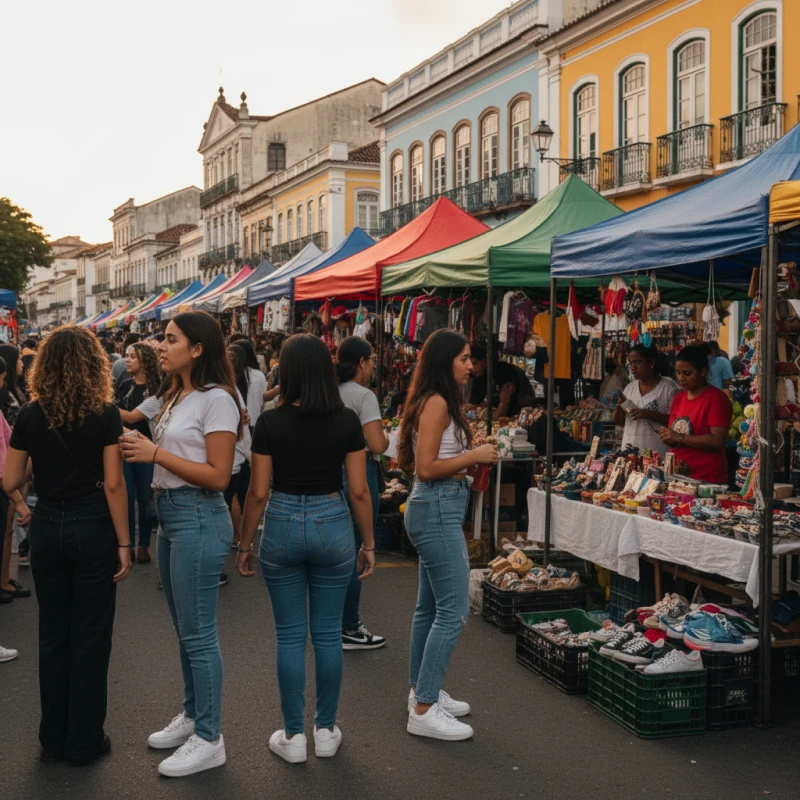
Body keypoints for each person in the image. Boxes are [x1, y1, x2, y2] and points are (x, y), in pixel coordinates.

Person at [236, 333, 375, 764]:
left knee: (291, 636)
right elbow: (358, 491)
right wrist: (368, 542)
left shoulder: (270, 423)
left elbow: (257, 492)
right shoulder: (347, 421)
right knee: (329, 635)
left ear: (289, 373)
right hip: (333, 521)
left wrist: (244, 544)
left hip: (281, 522)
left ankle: (294, 736)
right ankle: (327, 729)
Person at [119, 311, 241, 778]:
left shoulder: (218, 400)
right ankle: (194, 716)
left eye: (170, 340)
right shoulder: (176, 395)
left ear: (197, 349)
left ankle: (210, 737)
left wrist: (155, 453)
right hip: (170, 518)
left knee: (199, 634)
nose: (159, 346)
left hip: (198, 517)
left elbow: (219, 475)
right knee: (184, 630)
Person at [4, 325, 131, 765]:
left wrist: (41, 466)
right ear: (93, 365)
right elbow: (114, 484)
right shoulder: (106, 413)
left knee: (53, 634)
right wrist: (124, 542)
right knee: (91, 636)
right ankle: (85, 740)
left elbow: (10, 480)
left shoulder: (30, 415)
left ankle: (52, 737)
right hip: (93, 522)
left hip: (47, 524)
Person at [398, 329, 498, 742]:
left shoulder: (438, 400)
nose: (470, 365)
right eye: (463, 358)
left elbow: (433, 464)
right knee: (453, 610)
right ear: (444, 361)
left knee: (429, 607)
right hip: (437, 506)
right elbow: (424, 468)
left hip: (436, 505)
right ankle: (423, 706)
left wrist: (466, 462)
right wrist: (473, 456)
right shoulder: (438, 402)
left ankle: (423, 692)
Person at [336, 336, 389, 650]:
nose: (372, 365)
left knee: (339, 552)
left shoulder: (329, 391)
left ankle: (333, 624)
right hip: (359, 471)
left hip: (331, 472)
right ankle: (350, 627)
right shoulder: (363, 396)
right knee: (356, 551)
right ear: (360, 362)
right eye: (370, 359)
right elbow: (378, 444)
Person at [659, 345, 732, 484]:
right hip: (678, 476)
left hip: (707, 478)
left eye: (687, 373)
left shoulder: (716, 399)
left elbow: (717, 441)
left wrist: (679, 437)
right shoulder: (678, 399)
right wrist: (669, 437)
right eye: (678, 373)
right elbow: (675, 435)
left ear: (703, 371)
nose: (681, 378)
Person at [116, 342, 161, 564]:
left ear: (144, 360)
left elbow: (130, 417)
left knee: (144, 498)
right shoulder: (124, 385)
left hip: (147, 450)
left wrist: (102, 406)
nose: (128, 360)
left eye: (132, 356)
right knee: (127, 497)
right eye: (127, 355)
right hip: (124, 448)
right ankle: (129, 545)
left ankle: (143, 545)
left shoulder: (156, 390)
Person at [0, 344, 29, 600]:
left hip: (11, 470)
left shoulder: (11, 394)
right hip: (8, 472)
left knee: (7, 528)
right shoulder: (7, 398)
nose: (22, 364)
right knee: (6, 528)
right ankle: (4, 580)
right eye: (19, 359)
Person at [613, 345, 678, 458]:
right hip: (630, 451)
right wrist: (619, 408)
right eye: (630, 363)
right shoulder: (629, 388)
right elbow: (620, 421)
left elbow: (677, 423)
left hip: (657, 452)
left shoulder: (668, 389)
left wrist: (649, 414)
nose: (633, 367)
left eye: (637, 362)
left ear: (651, 363)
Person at [469, 345, 534, 418]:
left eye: (474, 363)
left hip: (516, 416)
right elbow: (473, 404)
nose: (472, 369)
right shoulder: (478, 377)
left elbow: (503, 406)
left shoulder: (503, 370)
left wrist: (493, 416)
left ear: (485, 360)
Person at [230, 340, 267, 427]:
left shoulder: (228, 378)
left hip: (236, 425)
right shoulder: (259, 375)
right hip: (256, 422)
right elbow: (263, 399)